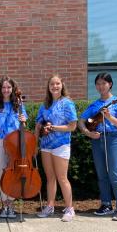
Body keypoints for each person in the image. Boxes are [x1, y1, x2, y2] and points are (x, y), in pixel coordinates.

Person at [78, 72, 117, 221]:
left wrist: (110, 117)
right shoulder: (95, 104)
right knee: (101, 174)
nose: (101, 86)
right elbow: (81, 121)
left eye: (104, 83)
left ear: (110, 84)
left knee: (115, 173)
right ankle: (106, 204)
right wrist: (88, 133)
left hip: (114, 139)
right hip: (97, 139)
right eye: (98, 84)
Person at [34, 75, 77, 222]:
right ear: (48, 86)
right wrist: (38, 138)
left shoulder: (67, 103)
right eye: (52, 84)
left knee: (62, 178)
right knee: (50, 178)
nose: (55, 86)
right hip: (46, 145)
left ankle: (70, 209)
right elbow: (38, 125)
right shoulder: (44, 105)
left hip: (61, 145)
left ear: (62, 85)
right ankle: (50, 206)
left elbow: (72, 126)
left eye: (57, 83)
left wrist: (54, 128)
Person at [0, 76, 27, 218]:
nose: (6, 90)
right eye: (4, 87)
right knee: (1, 173)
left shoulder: (19, 104)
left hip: (14, 143)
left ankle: (12, 204)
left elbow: (23, 127)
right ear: (0, 89)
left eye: (9, 87)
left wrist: (23, 121)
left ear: (13, 89)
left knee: (14, 172)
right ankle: (5, 205)